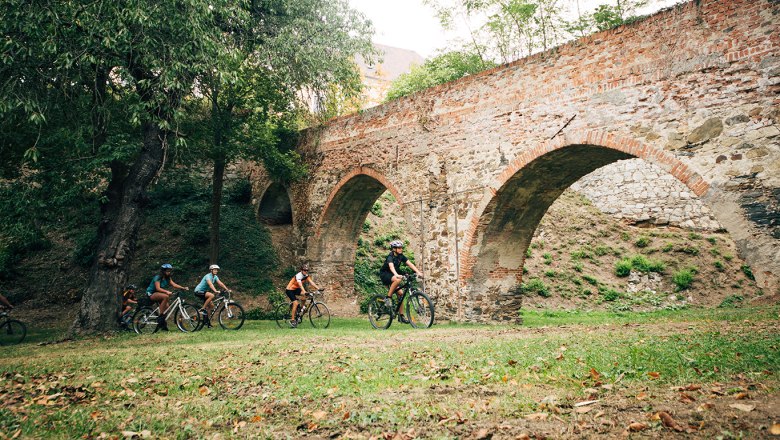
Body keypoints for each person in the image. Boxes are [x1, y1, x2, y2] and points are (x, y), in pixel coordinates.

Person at [379, 240, 423, 323]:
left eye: (401, 248)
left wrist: (418, 272)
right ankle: (388, 298)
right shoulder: (390, 256)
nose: (401, 249)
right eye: (399, 248)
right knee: (398, 279)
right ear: (394, 249)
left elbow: (410, 264)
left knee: (401, 294)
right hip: (385, 274)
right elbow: (391, 267)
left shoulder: (401, 256)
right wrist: (396, 275)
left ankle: (401, 316)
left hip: (394, 273)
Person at [146, 263, 188, 332]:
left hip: (159, 294)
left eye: (170, 271)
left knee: (167, 307)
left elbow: (174, 284)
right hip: (151, 293)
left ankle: (162, 325)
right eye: (167, 271)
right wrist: (166, 291)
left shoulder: (168, 278)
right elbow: (158, 288)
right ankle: (161, 316)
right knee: (166, 296)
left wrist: (182, 287)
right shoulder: (157, 277)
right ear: (163, 271)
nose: (169, 272)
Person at [285, 264, 320, 328]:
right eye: (304, 270)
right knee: (295, 303)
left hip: (295, 289)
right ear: (301, 270)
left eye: (307, 270)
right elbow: (300, 285)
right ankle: (292, 320)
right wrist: (304, 291)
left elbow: (311, 282)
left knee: (305, 296)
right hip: (289, 290)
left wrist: (318, 288)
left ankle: (300, 309)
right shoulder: (298, 276)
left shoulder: (306, 275)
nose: (306, 271)